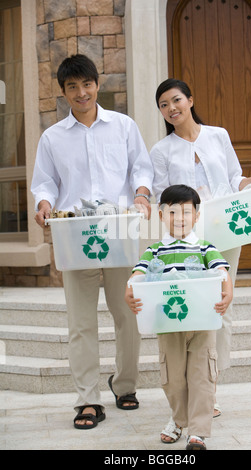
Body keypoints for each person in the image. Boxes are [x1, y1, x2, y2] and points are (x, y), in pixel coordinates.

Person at [31, 54, 154, 429]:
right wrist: (44, 204)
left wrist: (143, 195)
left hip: (119, 228)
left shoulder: (123, 126)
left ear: (97, 85)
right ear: (64, 92)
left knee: (127, 314)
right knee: (80, 322)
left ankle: (126, 385)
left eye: (87, 84)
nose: (81, 92)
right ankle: (87, 399)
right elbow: (45, 181)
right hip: (76, 234)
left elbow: (141, 167)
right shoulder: (53, 137)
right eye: (72, 87)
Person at [150, 78, 251, 416]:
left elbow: (235, 178)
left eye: (176, 100)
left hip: (225, 231)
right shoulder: (161, 151)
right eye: (164, 105)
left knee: (221, 305)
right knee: (191, 306)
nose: (171, 108)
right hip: (186, 238)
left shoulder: (218, 135)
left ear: (190, 99)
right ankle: (188, 386)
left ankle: (210, 387)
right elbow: (163, 193)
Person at [125, 184, 233, 450]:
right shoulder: (155, 250)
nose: (180, 218)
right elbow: (137, 275)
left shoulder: (206, 247)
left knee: (201, 376)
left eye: (186, 212)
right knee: (172, 378)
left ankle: (197, 432)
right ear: (161, 215)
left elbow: (222, 272)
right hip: (168, 323)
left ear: (197, 215)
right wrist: (130, 290)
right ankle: (178, 418)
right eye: (173, 212)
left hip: (202, 322)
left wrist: (227, 293)